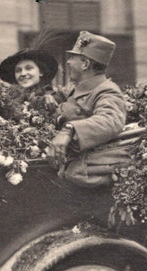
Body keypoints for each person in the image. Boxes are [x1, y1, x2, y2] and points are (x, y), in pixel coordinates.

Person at [49, 32, 128, 171]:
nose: (68, 62)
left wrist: (69, 130)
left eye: (73, 57)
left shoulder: (107, 91)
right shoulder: (80, 87)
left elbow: (110, 120)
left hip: (78, 172)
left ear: (85, 64)